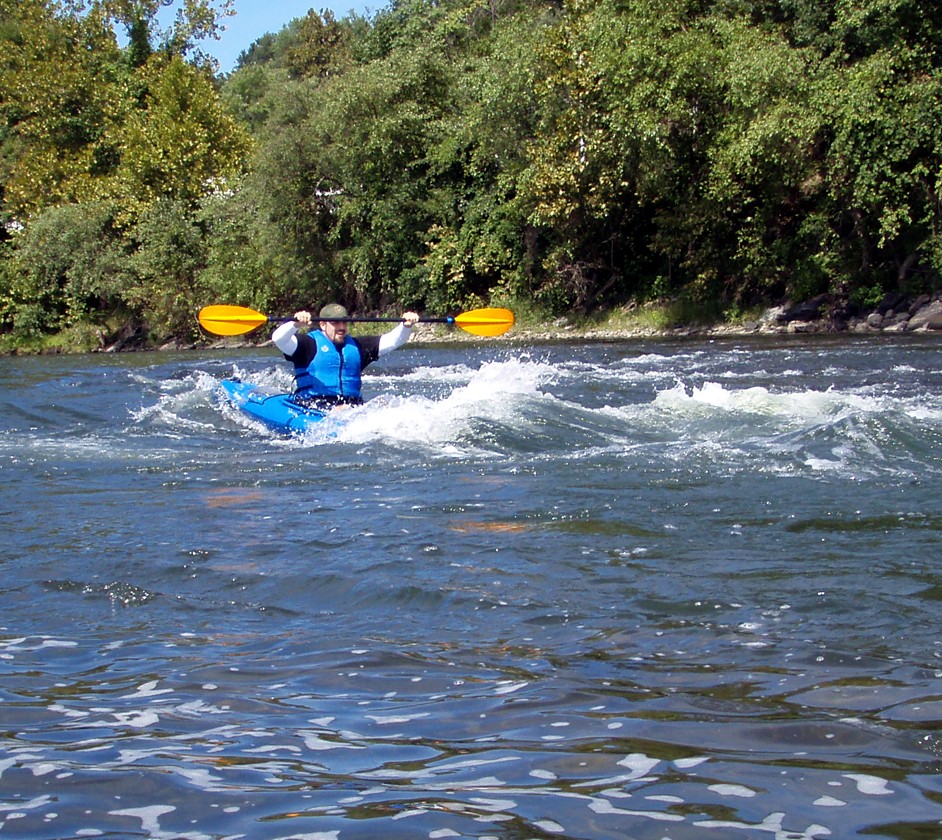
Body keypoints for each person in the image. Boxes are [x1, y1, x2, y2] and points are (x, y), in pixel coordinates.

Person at [272, 303, 420, 411]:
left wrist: (405, 326)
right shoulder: (307, 345)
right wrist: (295, 324)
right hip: (313, 408)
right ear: (323, 325)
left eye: (344, 322)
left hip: (352, 411)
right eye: (335, 323)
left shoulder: (357, 346)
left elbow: (394, 340)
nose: (341, 327)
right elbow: (279, 339)